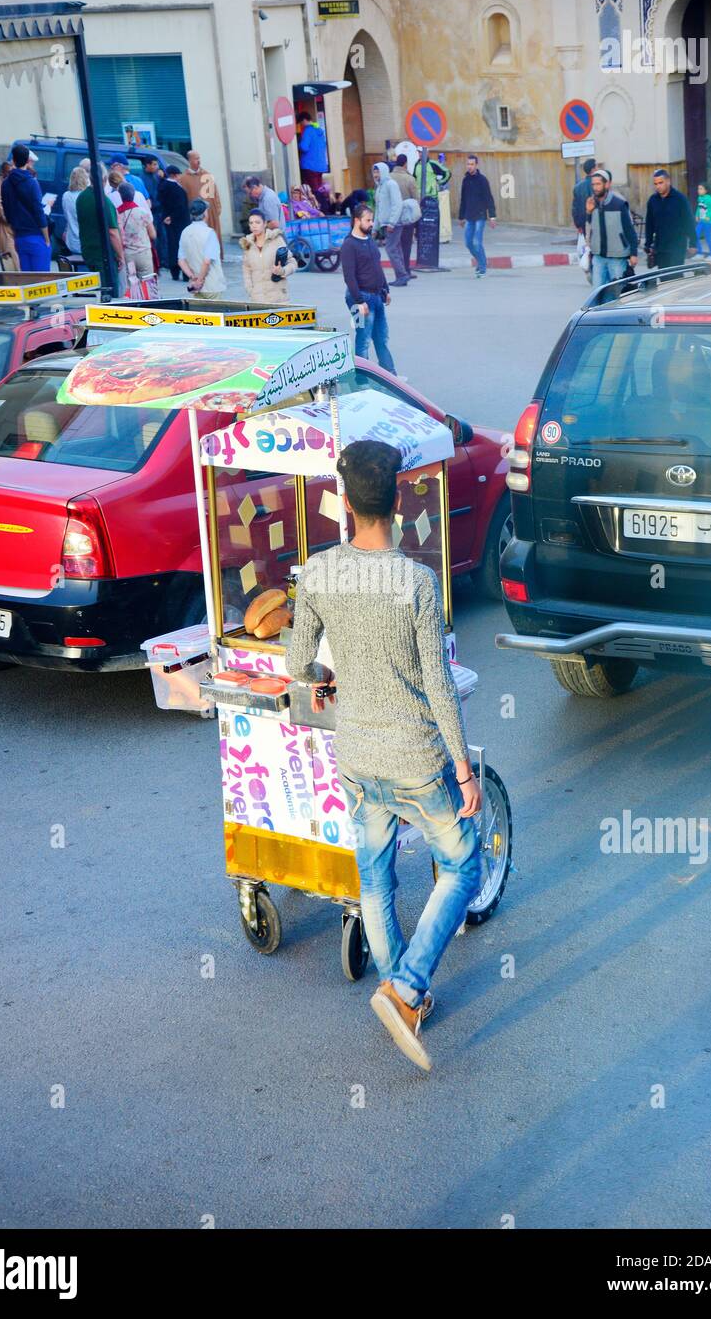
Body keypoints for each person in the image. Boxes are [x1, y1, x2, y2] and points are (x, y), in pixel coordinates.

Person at [286, 440, 482, 1073]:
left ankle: (402, 991)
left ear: (345, 502)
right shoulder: (416, 583)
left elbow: (298, 665)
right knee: (462, 864)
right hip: (416, 759)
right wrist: (463, 766)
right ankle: (406, 985)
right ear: (397, 500)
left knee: (375, 876)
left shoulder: (317, 573)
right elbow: (438, 683)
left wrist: (336, 683)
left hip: (358, 757)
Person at [341, 203, 396, 373]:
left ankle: (390, 376)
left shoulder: (369, 240)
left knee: (381, 339)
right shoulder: (349, 245)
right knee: (363, 340)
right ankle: (362, 380)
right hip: (359, 298)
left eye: (372, 220)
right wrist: (359, 301)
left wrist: (385, 290)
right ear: (357, 220)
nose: (372, 223)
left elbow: (377, 268)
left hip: (377, 296)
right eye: (368, 220)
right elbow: (349, 277)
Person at [584, 167, 639, 292]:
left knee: (618, 294)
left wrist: (634, 253)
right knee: (598, 294)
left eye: (598, 184)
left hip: (617, 257)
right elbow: (588, 229)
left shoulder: (619, 204)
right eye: (593, 184)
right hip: (598, 257)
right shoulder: (592, 203)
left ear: (607, 184)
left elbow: (629, 230)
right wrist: (588, 212)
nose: (595, 187)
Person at [1, 143, 50, 272]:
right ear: (28, 161)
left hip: (19, 236)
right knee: (43, 282)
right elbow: (38, 211)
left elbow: (7, 211)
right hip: (36, 234)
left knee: (28, 280)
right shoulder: (32, 182)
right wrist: (47, 238)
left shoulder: (5, 184)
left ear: (13, 160)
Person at [76, 162, 124, 291]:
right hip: (104, 256)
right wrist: (120, 256)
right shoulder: (104, 201)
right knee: (109, 293)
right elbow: (113, 232)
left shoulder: (81, 197)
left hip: (88, 251)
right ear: (104, 179)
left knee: (95, 291)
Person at [240, 207, 296, 304]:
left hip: (279, 298)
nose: (254, 226)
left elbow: (292, 263)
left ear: (265, 224)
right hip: (258, 300)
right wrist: (250, 290)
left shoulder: (277, 240)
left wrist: (282, 271)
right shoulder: (247, 244)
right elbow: (246, 270)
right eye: (251, 223)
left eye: (257, 222)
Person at [644, 168, 697, 270]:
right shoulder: (653, 200)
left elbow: (689, 222)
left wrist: (693, 243)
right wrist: (648, 244)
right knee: (663, 278)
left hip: (677, 247)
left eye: (661, 183)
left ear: (668, 181)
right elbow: (649, 224)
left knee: (676, 277)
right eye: (656, 184)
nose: (658, 186)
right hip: (660, 247)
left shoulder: (680, 199)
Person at [178, 151, 223, 258]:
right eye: (195, 158)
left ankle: (215, 255)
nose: (198, 160)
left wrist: (217, 208)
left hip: (210, 213)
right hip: (194, 215)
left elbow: (215, 194)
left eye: (199, 158)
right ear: (189, 160)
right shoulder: (183, 179)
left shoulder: (207, 175)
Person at [178, 197, 226, 297]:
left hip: (195, 286)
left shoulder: (185, 232)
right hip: (212, 285)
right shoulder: (209, 233)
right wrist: (200, 280)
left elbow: (181, 260)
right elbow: (207, 261)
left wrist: (193, 277)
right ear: (205, 213)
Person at [458, 154, 497, 276]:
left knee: (476, 242)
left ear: (476, 165)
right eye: (468, 164)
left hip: (480, 216)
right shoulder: (465, 180)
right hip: (469, 216)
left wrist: (492, 216)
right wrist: (461, 217)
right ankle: (482, 261)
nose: (469, 166)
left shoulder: (482, 180)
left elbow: (489, 198)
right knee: (468, 243)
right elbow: (463, 199)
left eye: (472, 164)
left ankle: (482, 267)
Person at [372, 160, 408, 287]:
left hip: (394, 224)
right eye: (374, 172)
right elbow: (378, 209)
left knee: (390, 249)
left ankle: (402, 275)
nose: (376, 174)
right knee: (396, 249)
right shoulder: (379, 188)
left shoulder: (391, 184)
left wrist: (392, 223)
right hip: (386, 224)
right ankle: (402, 275)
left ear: (384, 172)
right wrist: (375, 228)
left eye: (378, 172)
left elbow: (397, 204)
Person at [116, 181, 157, 293]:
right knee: (148, 285)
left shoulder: (118, 214)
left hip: (128, 255)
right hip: (143, 253)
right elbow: (153, 235)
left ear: (120, 195)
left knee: (132, 286)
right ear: (133, 194)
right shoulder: (142, 212)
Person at [158, 164, 191, 280]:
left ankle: (174, 272)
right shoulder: (176, 188)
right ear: (175, 175)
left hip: (168, 220)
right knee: (183, 246)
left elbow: (162, 203)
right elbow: (180, 206)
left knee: (172, 246)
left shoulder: (162, 186)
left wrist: (167, 216)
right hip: (180, 221)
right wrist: (172, 216)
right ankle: (186, 273)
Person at [390, 153, 420, 279]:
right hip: (407, 218)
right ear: (405, 164)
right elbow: (416, 199)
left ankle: (400, 271)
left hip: (392, 217)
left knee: (395, 245)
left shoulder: (389, 177)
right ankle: (406, 271)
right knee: (406, 245)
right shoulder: (409, 179)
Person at [0, 161, 18, 271]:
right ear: (3, 172)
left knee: (15, 260)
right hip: (4, 228)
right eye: (9, 172)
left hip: (13, 227)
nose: (10, 175)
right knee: (9, 258)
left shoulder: (11, 184)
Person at [297, 110, 328, 192]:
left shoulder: (308, 130)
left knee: (311, 191)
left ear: (304, 120)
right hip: (321, 166)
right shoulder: (319, 130)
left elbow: (304, 147)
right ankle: (320, 203)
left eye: (300, 123)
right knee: (318, 189)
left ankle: (316, 204)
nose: (301, 125)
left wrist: (298, 144)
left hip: (309, 165)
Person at [62, 165, 89, 258]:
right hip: (86, 241)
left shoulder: (66, 195)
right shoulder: (87, 196)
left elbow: (66, 216)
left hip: (71, 240)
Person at [571, 157, 597, 234]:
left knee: (587, 244)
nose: (598, 168)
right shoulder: (599, 185)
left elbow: (575, 209)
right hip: (597, 222)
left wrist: (578, 225)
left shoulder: (577, 187)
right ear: (593, 169)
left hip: (584, 224)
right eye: (597, 166)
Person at [694, 182, 711, 257]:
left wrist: (708, 215)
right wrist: (696, 215)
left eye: (701, 189)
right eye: (698, 188)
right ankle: (699, 253)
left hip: (709, 222)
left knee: (708, 238)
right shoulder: (700, 198)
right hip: (701, 221)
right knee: (695, 235)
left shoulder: (709, 199)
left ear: (706, 190)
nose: (698, 190)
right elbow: (699, 207)